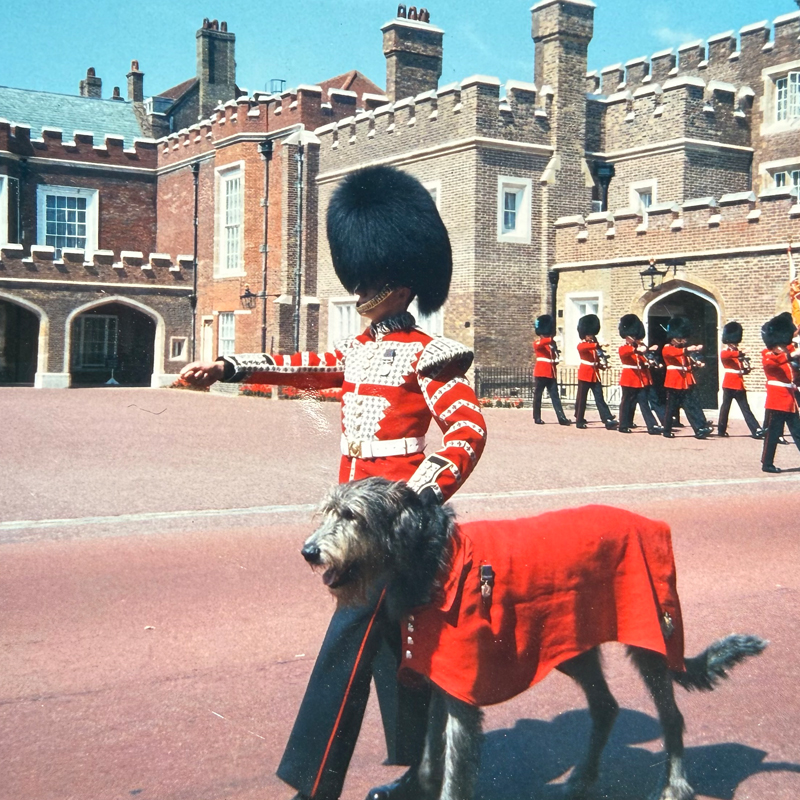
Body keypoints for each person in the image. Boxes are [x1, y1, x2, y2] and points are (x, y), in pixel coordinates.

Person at [179, 165, 487, 800]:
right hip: (356, 515)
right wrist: (229, 366)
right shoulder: (358, 349)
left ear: (401, 282)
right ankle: (426, 772)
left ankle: (313, 786)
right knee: (396, 646)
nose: (361, 289)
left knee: (346, 644)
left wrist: (412, 496)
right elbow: (302, 366)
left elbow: (466, 432)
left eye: (372, 279)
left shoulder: (434, 352)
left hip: (392, 528)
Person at [760, 312, 800, 474]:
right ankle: (767, 463)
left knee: (798, 432)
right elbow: (777, 361)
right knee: (773, 435)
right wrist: (790, 353)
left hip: (790, 401)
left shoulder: (784, 353)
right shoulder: (768, 355)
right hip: (776, 401)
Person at [661, 316, 713, 439]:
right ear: (673, 338)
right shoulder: (667, 348)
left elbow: (687, 364)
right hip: (674, 382)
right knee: (671, 408)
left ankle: (699, 429)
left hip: (685, 381)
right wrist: (688, 349)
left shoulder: (682, 350)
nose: (682, 340)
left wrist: (697, 364)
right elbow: (676, 354)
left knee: (690, 406)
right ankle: (666, 430)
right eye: (680, 338)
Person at [617, 314, 663, 435]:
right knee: (626, 402)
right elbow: (628, 352)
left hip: (641, 380)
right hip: (629, 379)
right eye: (633, 336)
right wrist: (640, 349)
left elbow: (644, 359)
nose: (636, 339)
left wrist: (651, 359)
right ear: (627, 337)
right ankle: (623, 424)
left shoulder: (641, 348)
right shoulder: (624, 348)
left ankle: (652, 426)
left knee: (644, 403)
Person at [717, 321, 764, 439]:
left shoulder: (736, 354)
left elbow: (740, 369)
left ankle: (756, 430)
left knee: (745, 409)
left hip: (738, 384)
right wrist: (741, 353)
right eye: (733, 343)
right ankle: (721, 430)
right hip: (729, 384)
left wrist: (747, 370)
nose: (735, 345)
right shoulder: (725, 352)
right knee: (725, 408)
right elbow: (728, 356)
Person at [574, 314, 618, 430]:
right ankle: (579, 420)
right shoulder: (582, 345)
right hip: (585, 374)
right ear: (584, 335)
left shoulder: (591, 346)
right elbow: (588, 348)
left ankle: (607, 419)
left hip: (594, 375)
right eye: (589, 335)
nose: (591, 337)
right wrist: (599, 344)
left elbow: (595, 360)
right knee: (582, 398)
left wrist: (603, 367)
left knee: (599, 397)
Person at [532, 314, 571, 426]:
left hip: (551, 373)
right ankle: (537, 417)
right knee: (538, 395)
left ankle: (561, 417)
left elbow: (553, 356)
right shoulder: (538, 343)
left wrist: (557, 358)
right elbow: (542, 344)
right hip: (541, 372)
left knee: (555, 396)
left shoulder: (551, 344)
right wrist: (551, 339)